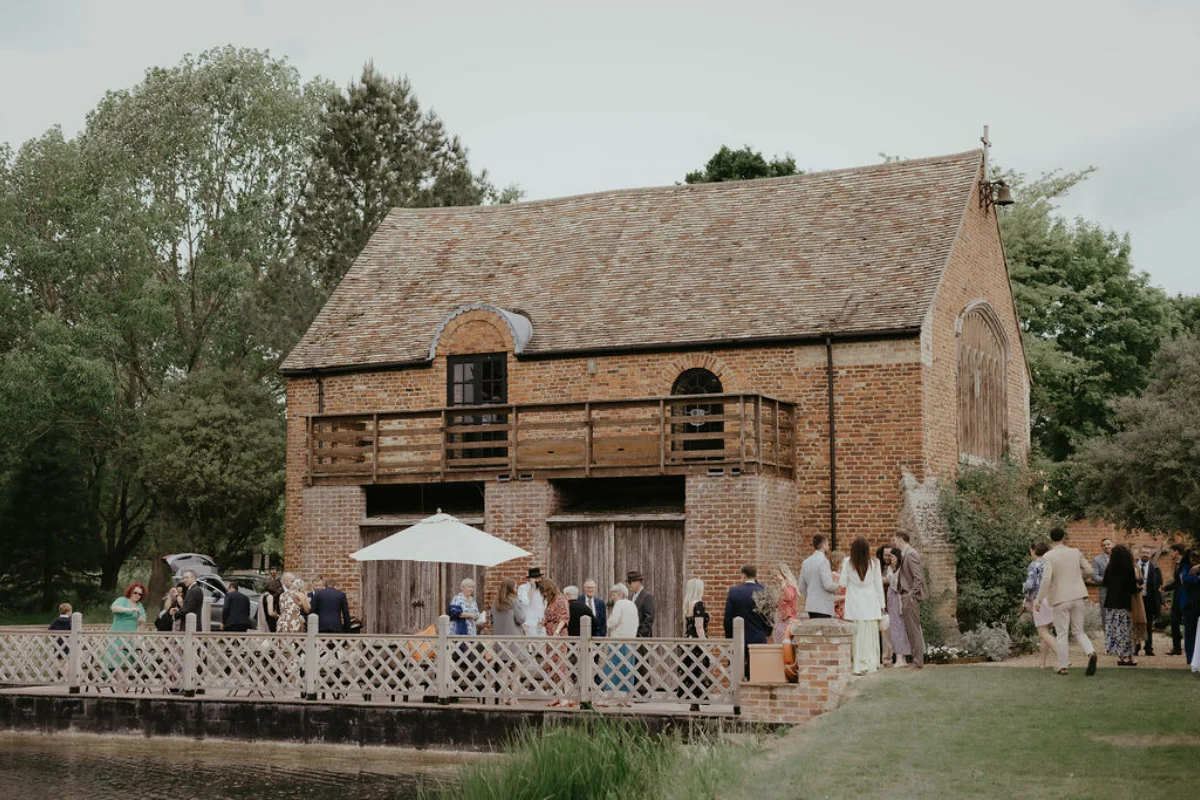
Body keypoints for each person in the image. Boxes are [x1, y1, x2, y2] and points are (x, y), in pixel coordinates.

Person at [1035, 525, 1098, 676]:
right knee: (1079, 631)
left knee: (1062, 633)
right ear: (1064, 538)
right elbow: (1090, 571)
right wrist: (1078, 579)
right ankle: (1091, 652)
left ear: (1051, 539)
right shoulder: (1075, 552)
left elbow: (1046, 578)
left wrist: (1039, 599)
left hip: (1060, 598)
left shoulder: (1048, 556)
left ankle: (1063, 666)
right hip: (1077, 596)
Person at [839, 537, 886, 676]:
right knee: (870, 636)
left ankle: (858, 665)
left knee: (858, 637)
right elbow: (878, 585)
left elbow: (842, 583)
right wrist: (882, 605)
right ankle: (871, 663)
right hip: (871, 604)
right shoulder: (874, 563)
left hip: (855, 604)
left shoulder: (847, 562)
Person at [724, 565, 771, 679]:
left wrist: (730, 636)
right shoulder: (763, 592)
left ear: (743, 575)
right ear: (755, 576)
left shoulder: (734, 592)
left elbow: (727, 618)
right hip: (758, 636)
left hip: (738, 637)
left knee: (735, 673)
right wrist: (766, 632)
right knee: (756, 674)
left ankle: (736, 695)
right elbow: (769, 618)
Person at [891, 532, 927, 669]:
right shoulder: (906, 554)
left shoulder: (911, 554)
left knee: (914, 630)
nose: (894, 543)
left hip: (909, 597)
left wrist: (911, 595)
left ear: (900, 539)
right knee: (910, 631)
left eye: (895, 540)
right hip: (905, 595)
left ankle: (918, 662)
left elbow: (918, 578)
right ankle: (915, 661)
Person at [1101, 544, 1139, 666]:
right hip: (1124, 603)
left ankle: (1120, 656)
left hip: (1111, 603)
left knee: (1114, 630)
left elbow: (1105, 583)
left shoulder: (1109, 568)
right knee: (1125, 630)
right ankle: (1128, 657)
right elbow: (1132, 588)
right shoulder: (1129, 568)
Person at [489, 578, 526, 706]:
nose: (517, 590)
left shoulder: (495, 603)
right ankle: (514, 697)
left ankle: (504, 697)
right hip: (514, 639)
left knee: (503, 669)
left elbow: (492, 621)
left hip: (499, 640)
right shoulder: (514, 601)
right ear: (511, 588)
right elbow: (521, 618)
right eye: (516, 587)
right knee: (516, 669)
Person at [1022, 541, 1058, 668]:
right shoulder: (1051, 563)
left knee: (1042, 631)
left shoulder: (1034, 565)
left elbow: (1030, 585)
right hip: (1053, 598)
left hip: (1040, 599)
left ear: (1033, 550)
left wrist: (1023, 588)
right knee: (1046, 632)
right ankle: (1041, 663)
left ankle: (1062, 655)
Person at [603, 583, 639, 704]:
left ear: (620, 594)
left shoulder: (619, 604)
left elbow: (613, 621)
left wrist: (608, 622)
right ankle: (626, 698)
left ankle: (612, 696)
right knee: (627, 668)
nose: (612, 597)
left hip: (618, 640)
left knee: (614, 667)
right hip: (630, 640)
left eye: (613, 594)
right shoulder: (632, 604)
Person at [540, 578, 571, 707]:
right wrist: (545, 623)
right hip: (549, 635)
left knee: (560, 665)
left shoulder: (560, 599)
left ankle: (566, 697)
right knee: (552, 666)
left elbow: (564, 617)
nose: (544, 594)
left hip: (558, 636)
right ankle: (558, 695)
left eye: (545, 591)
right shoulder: (550, 601)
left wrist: (557, 631)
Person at [681, 577, 710, 711]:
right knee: (698, 669)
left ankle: (693, 701)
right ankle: (697, 699)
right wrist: (704, 643)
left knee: (691, 669)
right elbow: (699, 626)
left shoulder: (688, 604)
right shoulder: (698, 604)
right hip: (696, 642)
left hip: (688, 640)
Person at [107, 583, 147, 671]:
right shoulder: (122, 600)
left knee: (127, 664)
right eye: (135, 592)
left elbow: (143, 622)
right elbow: (114, 608)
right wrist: (130, 610)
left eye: (140, 594)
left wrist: (140, 620)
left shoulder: (139, 605)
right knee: (116, 662)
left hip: (131, 637)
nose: (137, 595)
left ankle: (123, 684)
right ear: (131, 591)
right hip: (117, 636)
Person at [883, 546, 912, 667]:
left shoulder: (900, 569)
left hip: (898, 599)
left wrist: (888, 576)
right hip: (892, 599)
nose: (891, 558)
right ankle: (899, 657)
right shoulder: (891, 568)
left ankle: (901, 657)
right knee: (894, 627)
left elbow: (895, 584)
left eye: (893, 556)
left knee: (900, 627)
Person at [798, 534, 837, 619]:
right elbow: (828, 585)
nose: (828, 546)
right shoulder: (824, 562)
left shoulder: (806, 562)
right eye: (827, 543)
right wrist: (839, 584)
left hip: (811, 606)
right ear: (823, 545)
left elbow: (801, 586)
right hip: (823, 606)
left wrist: (810, 596)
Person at [1135, 547, 1163, 657]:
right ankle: (1136, 647)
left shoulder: (1155, 568)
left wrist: (1161, 601)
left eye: (1147, 553)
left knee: (1148, 625)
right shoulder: (1134, 567)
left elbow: (1160, 585)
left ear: (1150, 554)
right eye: (1143, 552)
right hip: (1137, 599)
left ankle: (1148, 648)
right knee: (1136, 624)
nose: (1145, 554)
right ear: (1139, 553)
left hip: (1149, 600)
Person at [1163, 543, 1188, 656]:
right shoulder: (1178, 564)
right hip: (1177, 596)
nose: (1170, 554)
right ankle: (1177, 648)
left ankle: (1187, 647)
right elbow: (1177, 583)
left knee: (1186, 622)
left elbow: (1183, 582)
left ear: (1176, 551)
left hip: (1185, 597)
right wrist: (1165, 588)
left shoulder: (1185, 564)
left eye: (1171, 551)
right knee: (1174, 621)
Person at [773, 564, 800, 643]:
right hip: (782, 620)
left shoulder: (789, 587)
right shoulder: (781, 588)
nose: (775, 578)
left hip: (789, 620)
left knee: (785, 644)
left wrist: (782, 583)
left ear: (783, 575)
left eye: (776, 575)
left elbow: (789, 597)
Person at [1182, 550, 1200, 664]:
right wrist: (1197, 578)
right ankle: (1190, 658)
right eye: (1192, 557)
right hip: (1190, 604)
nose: (1194, 559)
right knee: (1189, 632)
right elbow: (1185, 579)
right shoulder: (1186, 567)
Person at [517, 567, 546, 637]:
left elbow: (544, 604)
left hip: (541, 623)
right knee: (532, 646)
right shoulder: (523, 588)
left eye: (539, 578)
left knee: (542, 646)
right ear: (531, 579)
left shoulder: (541, 589)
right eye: (537, 578)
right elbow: (525, 602)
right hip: (530, 623)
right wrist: (532, 588)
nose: (539, 580)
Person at [1093, 538, 1112, 634]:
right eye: (1104, 545)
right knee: (1105, 618)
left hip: (1119, 593)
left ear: (1112, 545)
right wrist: (1106, 581)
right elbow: (1094, 576)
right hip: (1104, 592)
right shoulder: (1097, 560)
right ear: (1101, 547)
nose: (1106, 546)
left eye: (1108, 544)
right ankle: (1108, 642)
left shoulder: (1119, 558)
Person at [628, 570, 655, 637]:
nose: (629, 585)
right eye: (628, 582)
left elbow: (649, 618)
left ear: (638, 582)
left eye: (630, 582)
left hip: (642, 638)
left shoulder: (647, 596)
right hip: (631, 636)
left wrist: (640, 634)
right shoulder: (631, 597)